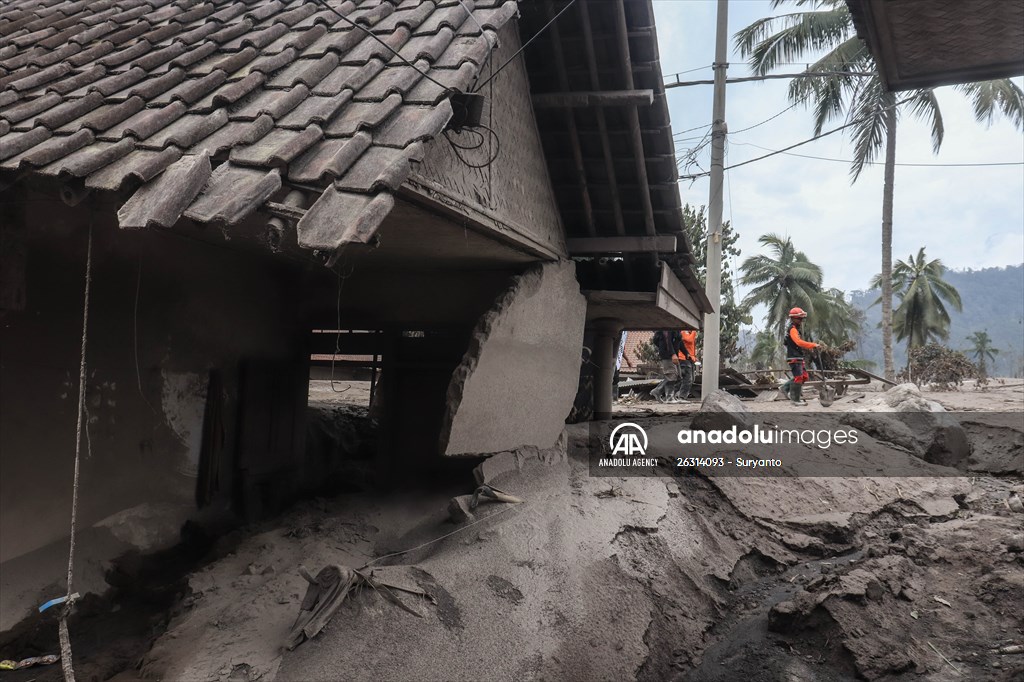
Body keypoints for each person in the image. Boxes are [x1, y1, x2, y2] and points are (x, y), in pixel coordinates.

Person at [779, 307, 819, 407]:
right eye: (799, 319)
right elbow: (798, 342)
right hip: (794, 357)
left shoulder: (796, 329)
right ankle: (795, 400)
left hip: (798, 356)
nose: (801, 321)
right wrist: (812, 345)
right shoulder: (792, 329)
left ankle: (785, 387)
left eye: (801, 319)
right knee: (798, 378)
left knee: (804, 377)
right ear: (794, 319)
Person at [650, 329, 682, 403]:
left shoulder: (678, 329)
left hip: (674, 354)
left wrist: (686, 353)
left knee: (678, 377)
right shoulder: (669, 327)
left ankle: (661, 392)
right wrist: (672, 353)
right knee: (671, 375)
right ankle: (669, 397)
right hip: (668, 355)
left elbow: (680, 342)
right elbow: (668, 341)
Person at [673, 330, 698, 402]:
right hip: (683, 358)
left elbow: (690, 346)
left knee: (691, 379)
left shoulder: (690, 333)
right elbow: (689, 340)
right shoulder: (683, 331)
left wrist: (693, 356)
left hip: (690, 358)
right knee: (687, 379)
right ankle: (681, 397)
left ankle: (675, 395)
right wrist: (694, 332)